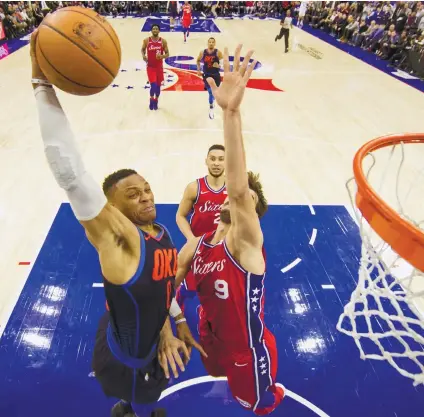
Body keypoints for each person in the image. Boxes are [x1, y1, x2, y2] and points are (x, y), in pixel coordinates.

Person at [30, 30, 204, 417]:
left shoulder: (159, 233)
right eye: (133, 194)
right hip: (125, 358)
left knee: (148, 396)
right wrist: (42, 84)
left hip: (142, 331)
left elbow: (163, 284)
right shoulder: (116, 239)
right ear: (112, 209)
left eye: (146, 188)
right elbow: (70, 172)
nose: (146, 196)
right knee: (139, 402)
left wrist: (173, 323)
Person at [175, 45, 285, 415]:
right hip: (209, 336)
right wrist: (170, 323)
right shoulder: (197, 246)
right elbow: (166, 288)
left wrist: (231, 113)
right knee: (217, 383)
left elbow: (238, 191)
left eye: (246, 202)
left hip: (247, 352)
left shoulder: (247, 244)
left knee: (252, 406)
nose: (235, 200)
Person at [175, 144, 226, 310]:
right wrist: (192, 240)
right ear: (206, 161)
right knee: (190, 286)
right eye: (213, 159)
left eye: (221, 159)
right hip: (198, 247)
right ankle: (179, 300)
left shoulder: (234, 190)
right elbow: (180, 216)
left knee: (220, 287)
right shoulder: (194, 188)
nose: (216, 163)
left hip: (223, 248)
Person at [142, 24, 169, 111]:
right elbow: (142, 49)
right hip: (150, 67)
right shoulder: (147, 40)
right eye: (153, 28)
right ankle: (151, 99)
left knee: (158, 87)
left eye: (156, 29)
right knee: (153, 85)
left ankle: (156, 99)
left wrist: (161, 56)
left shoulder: (163, 41)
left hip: (159, 68)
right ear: (151, 30)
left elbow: (168, 54)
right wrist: (144, 56)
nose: (155, 30)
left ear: (159, 31)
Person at [196, 37, 223, 119]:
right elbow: (197, 60)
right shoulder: (203, 52)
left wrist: (218, 66)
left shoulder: (218, 53)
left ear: (215, 44)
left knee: (214, 93)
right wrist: (198, 70)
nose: (211, 43)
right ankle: (211, 108)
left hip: (216, 75)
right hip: (207, 74)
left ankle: (212, 101)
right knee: (210, 92)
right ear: (207, 43)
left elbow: (222, 63)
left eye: (212, 42)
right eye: (210, 42)